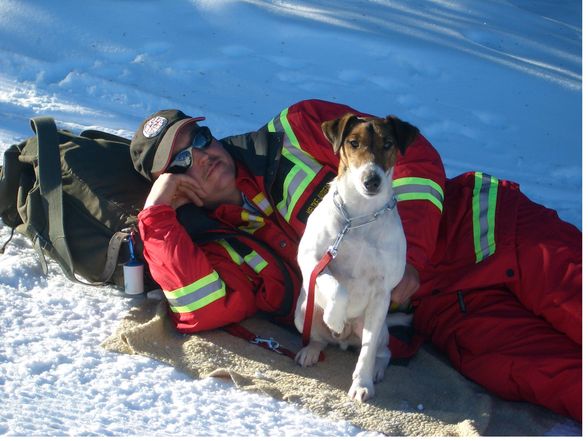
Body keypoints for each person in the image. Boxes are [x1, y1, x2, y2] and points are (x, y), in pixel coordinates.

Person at [130, 100, 581, 422]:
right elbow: (202, 307)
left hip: (490, 230)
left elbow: (412, 155)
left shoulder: (294, 129)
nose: (204, 156)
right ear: (168, 183)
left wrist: (414, 255)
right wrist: (156, 217)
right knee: (560, 382)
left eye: (202, 138)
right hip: (447, 311)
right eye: (181, 161)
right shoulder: (220, 244)